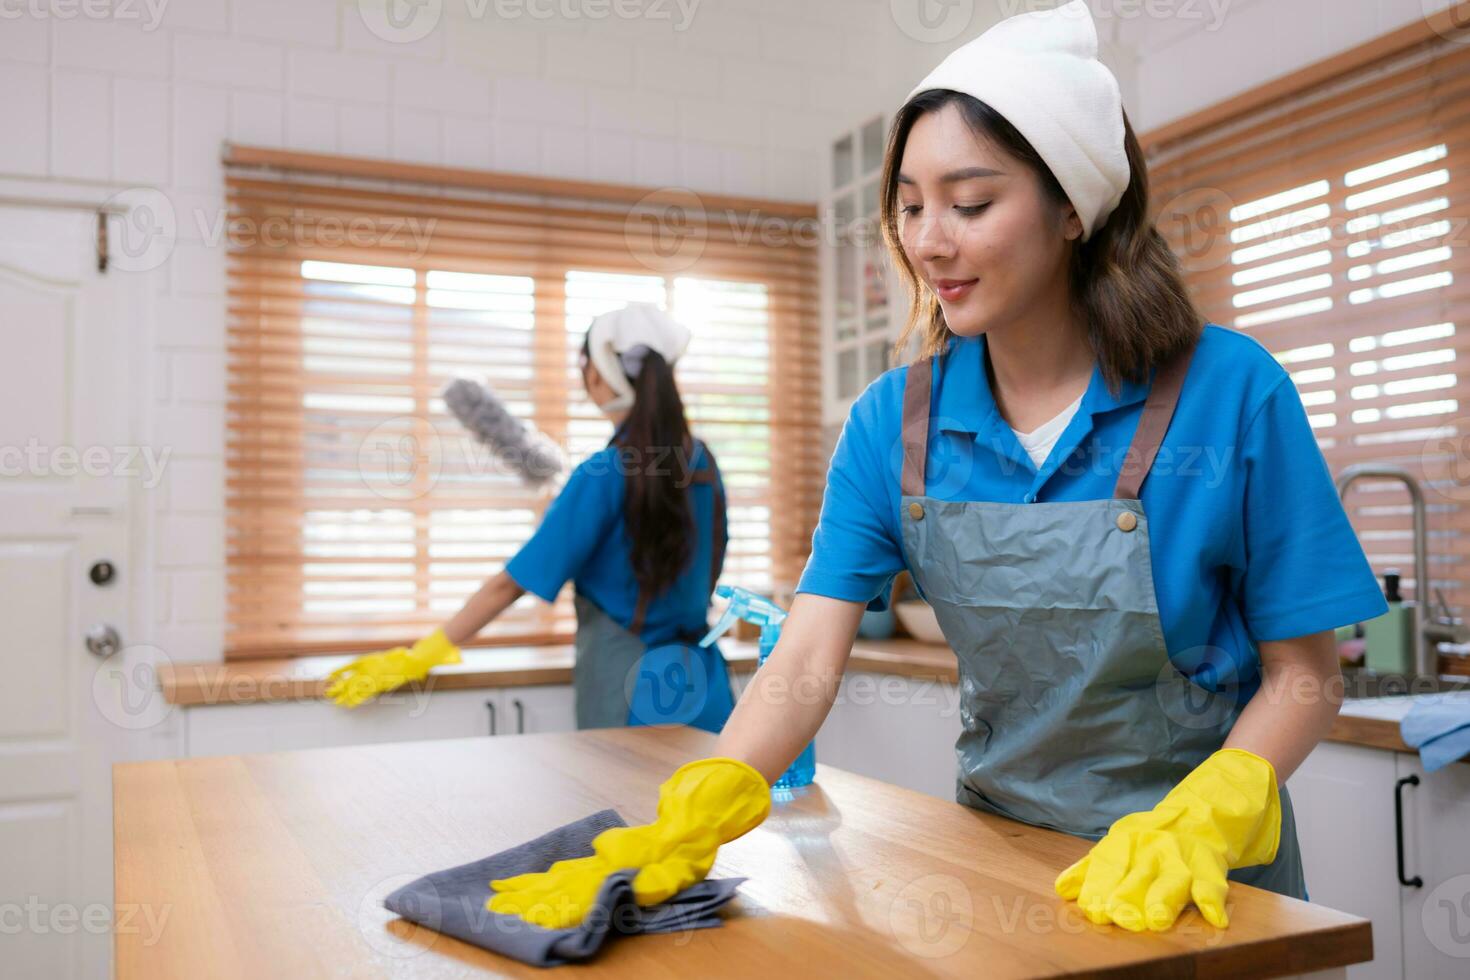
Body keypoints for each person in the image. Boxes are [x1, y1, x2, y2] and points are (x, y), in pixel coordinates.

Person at [486, 0, 1390, 935]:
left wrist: (1216, 811)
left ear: (1073, 207)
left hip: (1209, 880)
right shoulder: (893, 423)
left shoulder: (1229, 390)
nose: (928, 241)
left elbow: (1306, 674)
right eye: (910, 206)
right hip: (1000, 861)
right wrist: (710, 796)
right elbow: (805, 652)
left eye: (970, 203)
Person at [326, 302, 735, 734]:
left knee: (628, 805)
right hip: (705, 690)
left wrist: (423, 653)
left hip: (630, 696)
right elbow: (710, 563)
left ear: (598, 375)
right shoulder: (702, 462)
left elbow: (509, 584)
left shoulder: (604, 473)